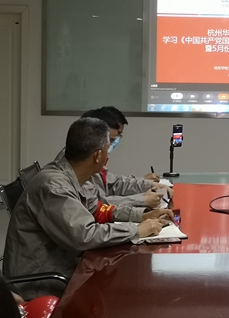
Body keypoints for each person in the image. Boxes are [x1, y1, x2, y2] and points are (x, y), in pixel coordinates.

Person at [3, 118, 171, 298]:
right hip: (41, 283)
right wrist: (136, 230)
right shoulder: (54, 186)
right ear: (98, 156)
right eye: (108, 149)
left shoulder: (74, 175)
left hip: (62, 268)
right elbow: (84, 236)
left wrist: (142, 216)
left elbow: (96, 209)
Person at [76, 107, 170, 208]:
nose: (111, 143)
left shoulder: (94, 159)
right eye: (111, 139)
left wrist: (148, 185)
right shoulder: (80, 164)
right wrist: (142, 200)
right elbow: (95, 205)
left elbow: (114, 183)